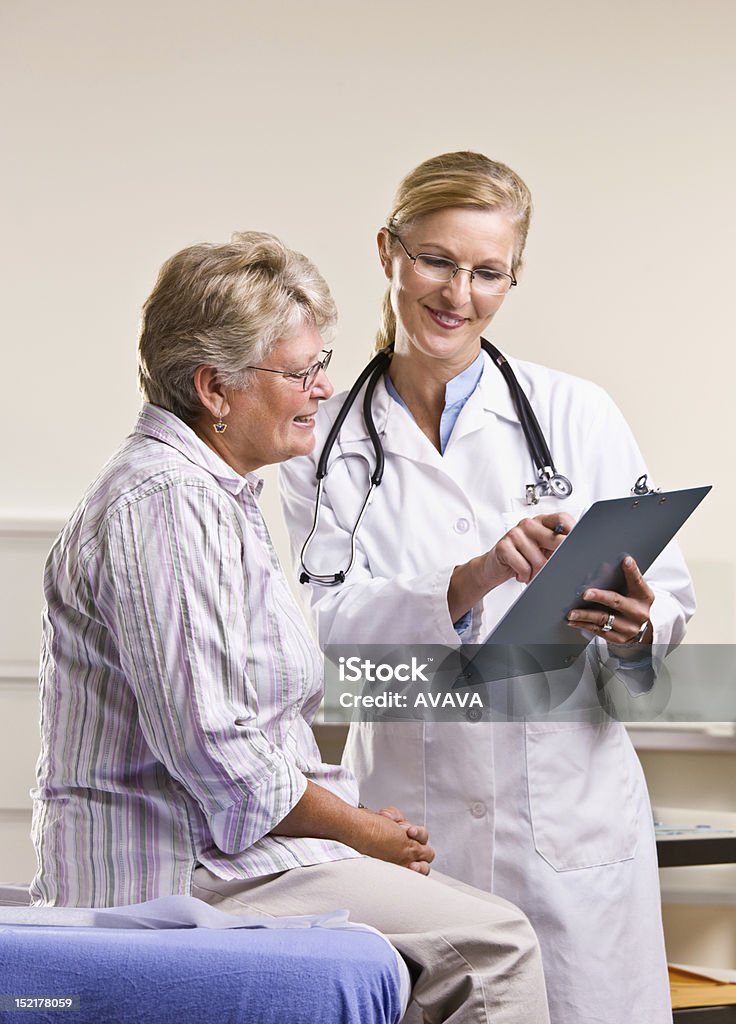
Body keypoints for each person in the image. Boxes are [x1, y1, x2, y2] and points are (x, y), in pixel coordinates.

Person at [30, 230, 550, 1024]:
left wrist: (359, 825)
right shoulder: (167, 502)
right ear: (215, 389)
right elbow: (217, 753)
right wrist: (364, 832)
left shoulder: (218, 497)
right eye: (302, 371)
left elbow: (262, 732)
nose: (324, 387)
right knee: (494, 942)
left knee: (422, 962)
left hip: (234, 854)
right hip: (179, 870)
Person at [280, 152, 696, 1023]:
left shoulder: (579, 413)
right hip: (420, 829)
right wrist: (469, 580)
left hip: (571, 826)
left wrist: (639, 627)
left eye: (487, 272)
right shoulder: (321, 444)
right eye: (436, 260)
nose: (457, 294)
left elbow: (668, 601)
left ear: (512, 278)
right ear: (389, 251)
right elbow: (328, 637)